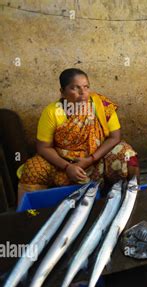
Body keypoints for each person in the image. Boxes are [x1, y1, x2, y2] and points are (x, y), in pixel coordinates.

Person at [18, 68, 139, 201]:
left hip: (98, 158)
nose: (83, 93)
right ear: (62, 92)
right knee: (32, 168)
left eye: (86, 87)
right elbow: (43, 147)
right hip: (63, 163)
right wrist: (68, 166)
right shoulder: (52, 112)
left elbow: (115, 137)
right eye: (75, 88)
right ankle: (30, 214)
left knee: (128, 155)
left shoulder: (101, 105)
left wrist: (90, 159)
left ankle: (133, 198)